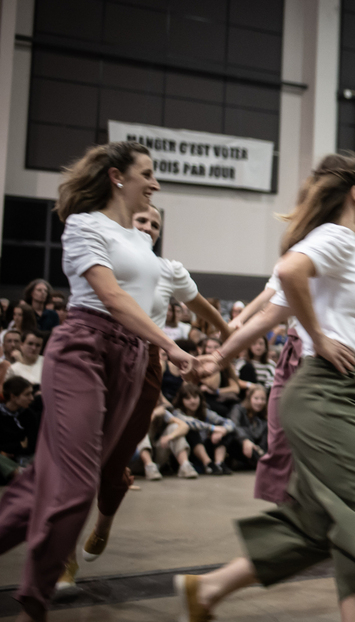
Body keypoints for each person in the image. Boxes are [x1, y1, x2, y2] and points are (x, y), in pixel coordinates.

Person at [175, 154, 355, 622]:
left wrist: (219, 357)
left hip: (327, 394)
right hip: (324, 393)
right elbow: (288, 275)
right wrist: (323, 337)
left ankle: (207, 590)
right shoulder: (336, 237)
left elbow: (274, 312)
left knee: (316, 523)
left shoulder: (333, 245)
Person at [0, 141, 196, 622]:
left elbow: (165, 297)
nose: (155, 183)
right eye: (147, 173)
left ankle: (34, 592)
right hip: (85, 347)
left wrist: (218, 342)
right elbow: (109, 295)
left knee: (46, 482)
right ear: (116, 176)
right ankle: (36, 599)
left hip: (130, 360)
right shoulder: (85, 225)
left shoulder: (143, 241)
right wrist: (168, 345)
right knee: (78, 484)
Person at [57, 203, 231, 590]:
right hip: (98, 351)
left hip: (146, 361)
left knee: (115, 459)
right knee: (79, 455)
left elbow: (202, 306)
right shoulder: (106, 251)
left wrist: (229, 336)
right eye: (142, 219)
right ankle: (63, 555)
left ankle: (104, 519)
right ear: (126, 219)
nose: (149, 226)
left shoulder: (168, 269)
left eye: (155, 224)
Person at [226, 385, 269, 469]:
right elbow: (234, 425)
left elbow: (263, 443)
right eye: (256, 398)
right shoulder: (238, 409)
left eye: (263, 399)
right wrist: (245, 440)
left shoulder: (264, 419)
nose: (259, 402)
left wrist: (259, 449)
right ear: (249, 398)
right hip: (237, 444)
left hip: (254, 449)